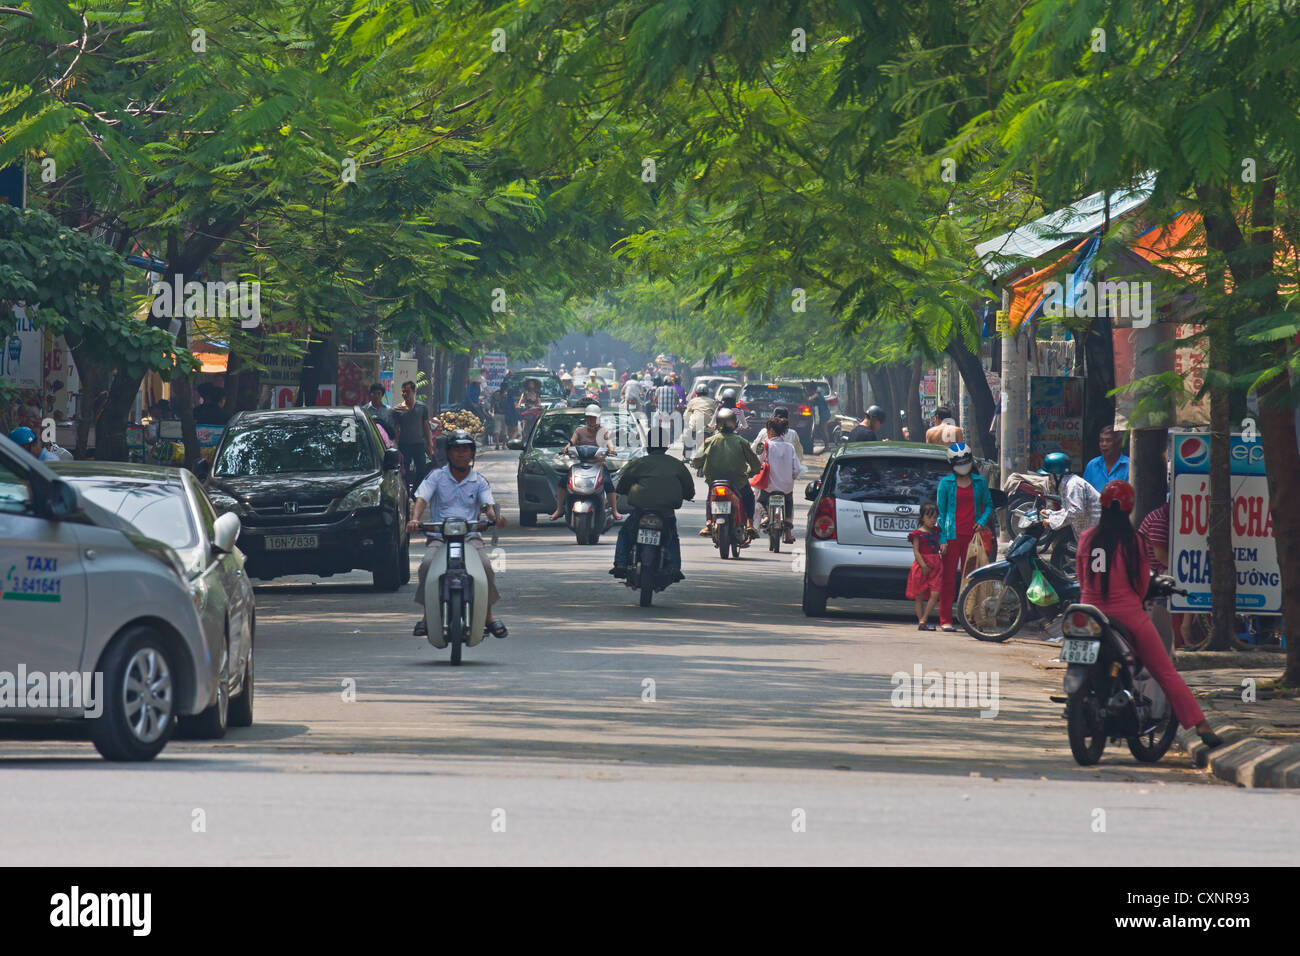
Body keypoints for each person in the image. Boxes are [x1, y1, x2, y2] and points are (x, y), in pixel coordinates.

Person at [1077, 480, 1222, 748]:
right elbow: (1142, 585)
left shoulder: (1087, 537)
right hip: (1127, 616)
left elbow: (1081, 577)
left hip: (1088, 614)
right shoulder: (1134, 542)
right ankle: (1201, 724)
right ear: (1129, 508)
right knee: (1164, 670)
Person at [407, 430, 508, 640]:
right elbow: (422, 499)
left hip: (470, 537)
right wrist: (415, 519)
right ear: (448, 453)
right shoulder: (436, 476)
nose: (461, 454)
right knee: (426, 566)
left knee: (486, 567)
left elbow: (487, 505)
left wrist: (494, 516)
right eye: (456, 450)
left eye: (465, 450)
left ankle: (488, 616)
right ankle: (427, 616)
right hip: (440, 537)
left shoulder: (479, 481)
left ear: (472, 453)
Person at [610, 420, 695, 581]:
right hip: (666, 512)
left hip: (641, 511)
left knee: (625, 533)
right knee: (672, 538)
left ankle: (620, 564)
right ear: (666, 445)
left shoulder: (638, 463)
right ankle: (675, 568)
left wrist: (624, 491)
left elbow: (622, 485)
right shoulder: (677, 465)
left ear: (648, 445)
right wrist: (687, 495)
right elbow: (689, 489)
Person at [935, 442, 994, 632]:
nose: (963, 465)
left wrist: (982, 521)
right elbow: (941, 514)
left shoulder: (980, 482)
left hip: (973, 537)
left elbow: (989, 505)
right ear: (951, 463)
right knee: (949, 578)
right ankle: (945, 618)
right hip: (952, 537)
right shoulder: (945, 484)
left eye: (965, 461)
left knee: (973, 578)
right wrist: (942, 538)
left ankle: (972, 617)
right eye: (958, 461)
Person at [691, 407, 761, 543]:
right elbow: (755, 463)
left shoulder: (710, 441)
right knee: (748, 496)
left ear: (717, 424)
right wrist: (752, 471)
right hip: (738, 482)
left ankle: (708, 523)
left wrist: (699, 465)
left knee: (709, 499)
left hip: (715, 481)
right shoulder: (742, 441)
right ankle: (750, 524)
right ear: (734, 424)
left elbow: (696, 459)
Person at [548, 405, 624, 522]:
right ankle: (559, 509)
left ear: (598, 418)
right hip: (581, 465)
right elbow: (571, 442)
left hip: (598, 465)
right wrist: (566, 448)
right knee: (563, 482)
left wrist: (611, 449)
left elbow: (609, 441)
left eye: (593, 418)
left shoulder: (603, 431)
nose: (591, 420)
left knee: (608, 483)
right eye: (588, 418)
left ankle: (614, 510)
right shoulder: (579, 430)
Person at [1037, 451, 1101, 568]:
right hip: (1091, 534)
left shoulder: (1073, 485)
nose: (1049, 480)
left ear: (1057, 475)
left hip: (1099, 534)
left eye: (1050, 476)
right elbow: (1070, 510)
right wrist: (1051, 514)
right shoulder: (1068, 484)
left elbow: (1076, 512)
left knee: (1097, 573)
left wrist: (1051, 522)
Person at [754, 417, 803, 543]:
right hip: (786, 487)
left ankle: (765, 517)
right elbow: (797, 468)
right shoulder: (789, 447)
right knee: (789, 501)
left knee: (760, 501)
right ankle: (787, 521)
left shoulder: (764, 445)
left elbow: (756, 462)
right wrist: (792, 476)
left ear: (770, 430)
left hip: (769, 486)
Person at [393, 380, 436, 497]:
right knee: (404, 472)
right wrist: (395, 444)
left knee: (422, 470)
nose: (405, 394)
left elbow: (426, 427)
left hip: (419, 444)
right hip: (404, 445)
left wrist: (429, 444)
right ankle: (406, 494)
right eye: (403, 392)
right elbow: (396, 428)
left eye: (407, 391)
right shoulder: (397, 409)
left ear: (414, 391)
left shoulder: (422, 407)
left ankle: (414, 491)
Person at [906, 502, 944, 630]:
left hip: (936, 565)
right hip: (922, 565)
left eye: (935, 518)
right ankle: (921, 621)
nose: (933, 521)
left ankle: (924, 618)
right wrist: (923, 566)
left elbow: (942, 541)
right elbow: (916, 551)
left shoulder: (938, 531)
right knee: (920, 596)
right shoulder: (917, 534)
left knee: (935, 593)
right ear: (922, 517)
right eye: (930, 517)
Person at [1083, 425, 1130, 492]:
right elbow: (1085, 493)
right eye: (1101, 441)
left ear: (1119, 443)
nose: (1104, 444)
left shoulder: (1128, 465)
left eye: (1108, 440)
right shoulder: (1092, 465)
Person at [682, 382, 717, 450]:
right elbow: (716, 414)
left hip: (695, 427)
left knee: (687, 436)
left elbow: (686, 415)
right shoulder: (712, 401)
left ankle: (686, 457)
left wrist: (687, 421)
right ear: (707, 392)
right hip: (709, 427)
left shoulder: (692, 401)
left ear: (697, 393)